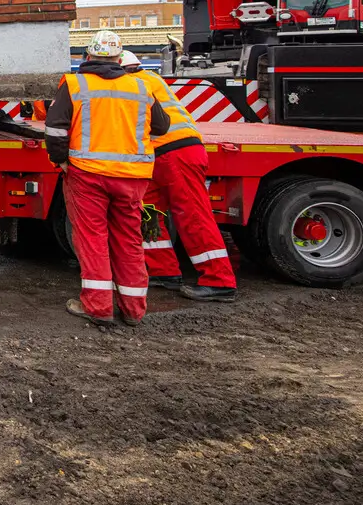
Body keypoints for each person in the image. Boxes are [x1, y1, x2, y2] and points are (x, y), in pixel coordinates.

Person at [44, 31, 170, 326]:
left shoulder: (75, 84)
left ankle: (99, 307)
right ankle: (134, 309)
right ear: (119, 58)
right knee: (128, 240)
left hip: (88, 175)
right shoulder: (140, 86)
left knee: (92, 239)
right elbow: (162, 127)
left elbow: (55, 130)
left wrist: (60, 160)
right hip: (132, 177)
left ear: (87, 57)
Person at [120, 51, 238, 302]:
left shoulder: (135, 84)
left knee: (193, 216)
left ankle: (220, 281)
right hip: (162, 155)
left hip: (175, 152)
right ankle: (163, 270)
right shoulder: (151, 79)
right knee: (150, 213)